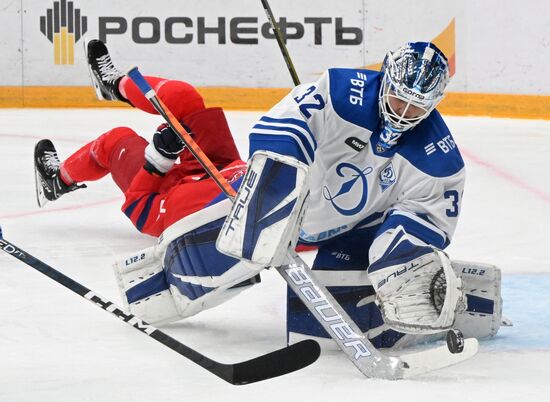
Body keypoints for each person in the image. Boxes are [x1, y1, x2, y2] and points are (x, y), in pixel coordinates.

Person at [237, 42, 504, 348]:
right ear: (385, 79)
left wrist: (398, 259)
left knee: (316, 338)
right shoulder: (339, 91)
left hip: (357, 230)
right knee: (220, 243)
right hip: (299, 204)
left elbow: (427, 219)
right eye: (398, 98)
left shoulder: (440, 160)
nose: (403, 112)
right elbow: (281, 129)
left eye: (416, 105)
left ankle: (442, 306)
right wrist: (277, 185)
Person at [34, 39, 264, 324]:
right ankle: (114, 85)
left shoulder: (199, 218)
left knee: (115, 140)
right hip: (220, 165)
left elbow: (140, 209)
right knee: (183, 96)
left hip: (166, 185)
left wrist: (159, 159)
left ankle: (58, 180)